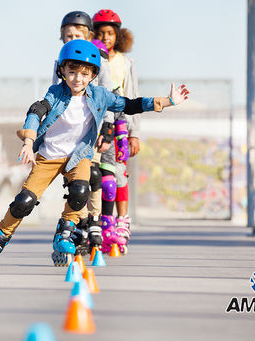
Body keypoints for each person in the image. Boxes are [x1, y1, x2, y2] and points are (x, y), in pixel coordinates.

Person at [0, 39, 189, 267]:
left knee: (81, 190)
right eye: (72, 72)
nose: (77, 79)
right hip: (48, 156)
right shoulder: (56, 93)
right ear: (62, 70)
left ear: (93, 75)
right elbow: (36, 111)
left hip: (79, 156)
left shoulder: (100, 95)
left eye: (84, 74)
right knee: (25, 200)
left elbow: (130, 104)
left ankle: (65, 231)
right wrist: (28, 141)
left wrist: (167, 101)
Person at [52, 11, 115, 256]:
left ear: (88, 36)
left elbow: (109, 96)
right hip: (68, 130)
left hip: (93, 128)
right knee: (74, 182)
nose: (72, 40)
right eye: (67, 36)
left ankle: (95, 222)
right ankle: (77, 225)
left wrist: (108, 127)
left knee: (94, 176)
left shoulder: (99, 59)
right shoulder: (60, 61)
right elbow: (55, 94)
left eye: (77, 35)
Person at [92, 9, 140, 254]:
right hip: (96, 123)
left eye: (110, 33)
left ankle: (122, 224)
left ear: (118, 35)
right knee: (98, 179)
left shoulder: (125, 62)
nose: (106, 37)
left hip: (120, 125)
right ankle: (98, 225)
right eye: (100, 33)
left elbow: (131, 97)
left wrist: (134, 133)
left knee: (119, 175)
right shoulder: (92, 57)